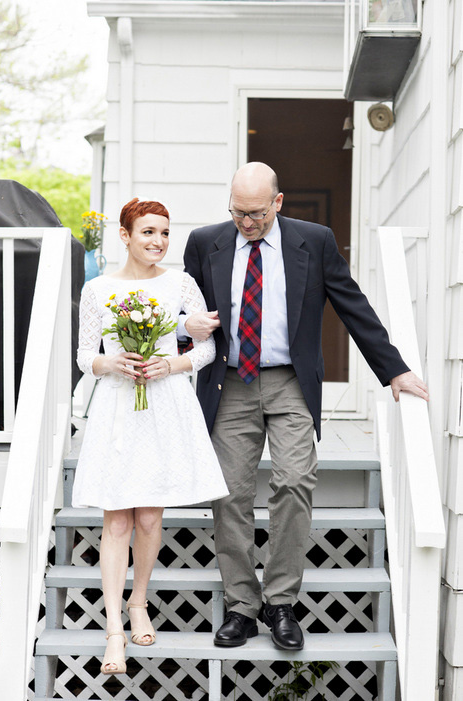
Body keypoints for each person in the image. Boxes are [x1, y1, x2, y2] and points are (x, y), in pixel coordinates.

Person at [181, 162, 429, 651]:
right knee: (229, 492)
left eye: (255, 213)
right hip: (228, 382)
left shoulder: (314, 241)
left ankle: (279, 602)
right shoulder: (205, 241)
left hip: (290, 381)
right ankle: (241, 607)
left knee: (294, 480)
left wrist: (393, 368)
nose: (245, 223)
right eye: (237, 212)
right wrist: (180, 336)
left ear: (277, 202)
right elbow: (183, 310)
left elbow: (351, 302)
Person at [72, 198, 228, 675]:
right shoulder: (99, 289)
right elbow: (83, 355)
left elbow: (206, 347)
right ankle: (114, 630)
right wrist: (108, 362)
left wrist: (171, 363)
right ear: (124, 235)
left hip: (165, 404)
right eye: (148, 232)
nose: (158, 241)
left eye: (164, 232)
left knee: (149, 517)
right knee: (116, 520)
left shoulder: (181, 284)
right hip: (119, 406)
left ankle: (139, 600)